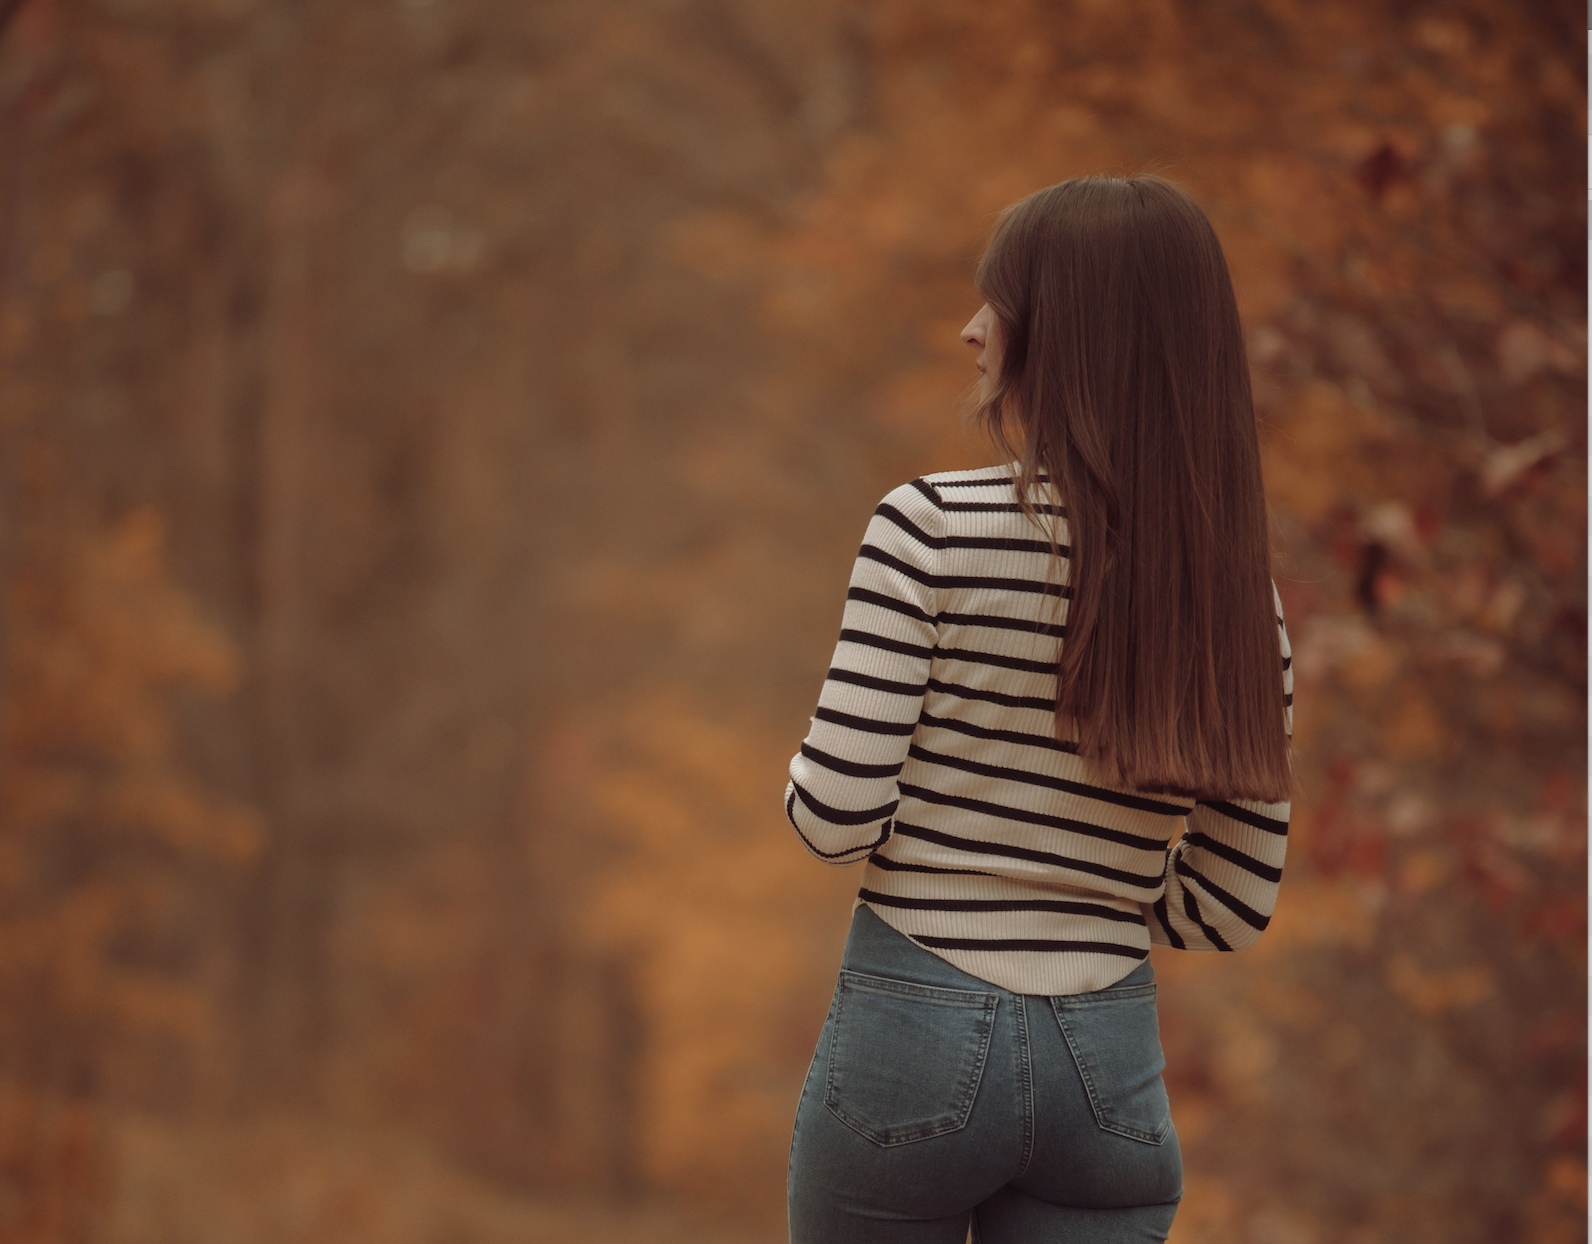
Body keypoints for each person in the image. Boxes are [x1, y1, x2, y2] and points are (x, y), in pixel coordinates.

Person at [783, 174, 1295, 1244]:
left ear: (1067, 329)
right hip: (1106, 1068)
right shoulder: (1239, 598)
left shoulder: (926, 527)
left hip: (906, 1032)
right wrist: (1088, 884)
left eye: (998, 300)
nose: (971, 329)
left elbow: (831, 816)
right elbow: (1228, 905)